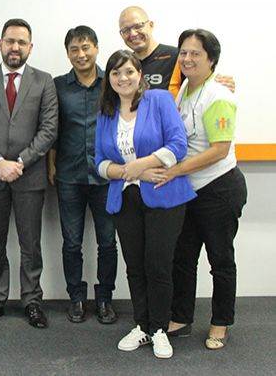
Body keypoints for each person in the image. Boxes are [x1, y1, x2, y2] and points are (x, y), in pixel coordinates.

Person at [94, 50, 195, 358]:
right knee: (135, 266)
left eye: (128, 71)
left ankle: (160, 328)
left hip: (164, 194)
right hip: (125, 198)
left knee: (158, 264)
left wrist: (141, 164)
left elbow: (178, 145)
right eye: (115, 73)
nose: (122, 78)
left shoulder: (160, 100)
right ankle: (142, 325)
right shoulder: (106, 112)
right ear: (109, 79)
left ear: (140, 74)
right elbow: (100, 163)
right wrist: (131, 172)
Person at [160, 29, 247, 350]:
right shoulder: (185, 88)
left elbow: (219, 150)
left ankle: (220, 323)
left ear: (211, 59)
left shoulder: (218, 95)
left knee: (220, 259)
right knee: (183, 257)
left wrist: (175, 171)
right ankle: (181, 317)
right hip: (191, 190)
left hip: (219, 189)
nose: (187, 59)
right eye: (183, 53)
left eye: (195, 53)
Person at [0, 18, 58, 329]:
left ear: (30, 47)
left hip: (29, 176)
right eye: (10, 41)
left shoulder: (44, 81)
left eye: (21, 42)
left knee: (30, 244)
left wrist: (20, 161)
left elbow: (49, 129)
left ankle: (32, 300)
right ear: (0, 44)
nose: (15, 47)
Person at [47, 26, 118, 324]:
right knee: (71, 242)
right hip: (69, 175)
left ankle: (104, 299)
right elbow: (52, 128)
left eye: (86, 47)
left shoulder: (112, 81)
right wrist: (51, 164)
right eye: (74, 49)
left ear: (97, 48)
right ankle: (76, 297)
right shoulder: (57, 86)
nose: (81, 54)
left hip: (106, 176)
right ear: (67, 54)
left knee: (107, 242)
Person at [118, 6, 235, 97]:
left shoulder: (178, 57)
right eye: (126, 30)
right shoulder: (123, 64)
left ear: (151, 25)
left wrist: (219, 83)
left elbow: (203, 81)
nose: (133, 34)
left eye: (138, 26)